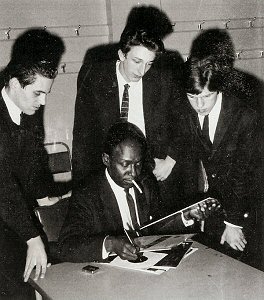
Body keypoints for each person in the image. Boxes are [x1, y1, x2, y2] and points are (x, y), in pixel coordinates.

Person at [59, 122, 217, 263]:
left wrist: (187, 216)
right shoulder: (88, 193)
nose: (133, 172)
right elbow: (66, 245)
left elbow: (156, 229)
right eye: (125, 164)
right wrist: (110, 244)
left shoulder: (145, 183)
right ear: (106, 159)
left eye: (137, 164)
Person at [172, 57, 261, 266]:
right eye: (192, 97)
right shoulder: (187, 107)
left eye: (207, 96)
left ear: (218, 90)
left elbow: (243, 172)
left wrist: (234, 223)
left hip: (250, 203)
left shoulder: (244, 116)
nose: (199, 105)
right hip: (219, 200)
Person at [72, 27, 178, 198]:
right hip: (108, 173)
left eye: (149, 63)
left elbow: (184, 121)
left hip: (153, 170)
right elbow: (82, 138)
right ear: (122, 55)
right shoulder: (94, 77)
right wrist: (80, 189)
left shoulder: (164, 78)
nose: (142, 71)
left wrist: (171, 160)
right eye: (137, 61)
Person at [0, 57, 58, 298]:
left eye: (46, 93)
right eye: (37, 93)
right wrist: (32, 237)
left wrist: (43, 197)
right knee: (17, 290)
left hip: (11, 214)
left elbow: (32, 162)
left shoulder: (27, 107)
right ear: (15, 84)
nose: (43, 101)